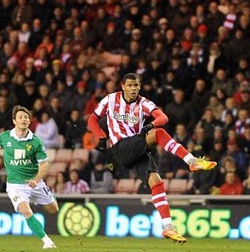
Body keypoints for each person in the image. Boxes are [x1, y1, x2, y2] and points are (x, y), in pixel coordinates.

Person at [87, 73, 217, 243]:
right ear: (123, 86)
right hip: (120, 147)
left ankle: (168, 228)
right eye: (130, 85)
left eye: (136, 85)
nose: (134, 88)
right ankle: (191, 161)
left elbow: (163, 117)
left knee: (156, 181)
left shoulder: (144, 103)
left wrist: (150, 124)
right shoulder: (110, 99)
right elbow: (92, 119)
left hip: (137, 148)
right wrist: (101, 137)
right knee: (159, 134)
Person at [0, 105, 58, 249]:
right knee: (25, 210)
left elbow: (45, 165)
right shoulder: (5, 137)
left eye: (26, 117)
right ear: (14, 121)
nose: (24, 119)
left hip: (34, 182)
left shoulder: (36, 142)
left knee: (53, 209)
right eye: (21, 117)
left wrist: (36, 180)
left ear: (29, 122)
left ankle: (36, 198)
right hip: (15, 184)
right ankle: (47, 241)